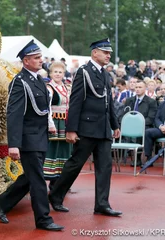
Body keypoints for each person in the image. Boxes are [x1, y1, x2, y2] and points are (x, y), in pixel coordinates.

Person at [0, 40, 64, 231]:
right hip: (28, 138)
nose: (41, 60)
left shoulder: (39, 79)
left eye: (40, 57)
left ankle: (3, 202)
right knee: (38, 180)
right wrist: (14, 144)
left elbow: (44, 109)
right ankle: (43, 219)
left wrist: (50, 125)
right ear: (26, 61)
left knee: (31, 177)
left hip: (40, 136)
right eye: (36, 58)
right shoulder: (19, 82)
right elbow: (14, 114)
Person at [49, 38, 122, 217]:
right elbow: (75, 102)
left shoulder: (105, 74)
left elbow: (108, 102)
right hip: (87, 127)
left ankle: (102, 204)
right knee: (75, 164)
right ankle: (56, 195)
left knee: (105, 167)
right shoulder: (84, 72)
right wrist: (71, 129)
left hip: (103, 128)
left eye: (109, 52)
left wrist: (114, 124)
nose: (108, 55)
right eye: (105, 52)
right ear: (94, 52)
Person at [44, 61, 72, 191]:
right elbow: (47, 108)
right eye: (55, 72)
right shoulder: (48, 88)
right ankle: (49, 178)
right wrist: (50, 124)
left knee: (64, 150)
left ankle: (60, 181)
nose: (58, 74)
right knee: (52, 149)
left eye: (60, 72)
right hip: (54, 123)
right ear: (50, 73)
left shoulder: (67, 87)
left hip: (65, 123)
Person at [121, 80, 157, 166]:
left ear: (145, 89)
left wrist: (138, 125)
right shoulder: (129, 100)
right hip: (129, 126)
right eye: (136, 87)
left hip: (144, 126)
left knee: (144, 131)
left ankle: (140, 157)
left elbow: (150, 118)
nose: (137, 89)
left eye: (140, 87)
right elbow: (123, 115)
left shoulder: (151, 102)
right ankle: (132, 156)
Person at [144, 82, 165, 165]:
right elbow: (156, 118)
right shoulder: (163, 104)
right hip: (162, 129)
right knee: (148, 132)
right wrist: (161, 126)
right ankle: (149, 159)